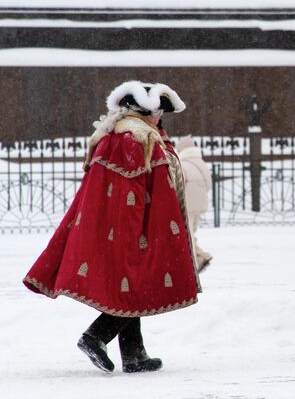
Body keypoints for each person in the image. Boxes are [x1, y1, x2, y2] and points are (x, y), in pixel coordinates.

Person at [23, 80, 201, 373]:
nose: (160, 118)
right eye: (158, 112)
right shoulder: (136, 139)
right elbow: (137, 194)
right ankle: (96, 336)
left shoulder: (118, 135)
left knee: (129, 286)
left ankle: (134, 354)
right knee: (137, 281)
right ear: (144, 112)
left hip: (115, 226)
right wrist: (137, 236)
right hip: (132, 226)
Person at [176, 135, 213, 272]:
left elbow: (180, 184)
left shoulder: (182, 164)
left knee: (188, 233)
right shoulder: (201, 163)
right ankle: (201, 256)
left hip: (189, 203)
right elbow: (209, 183)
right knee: (191, 231)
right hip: (201, 203)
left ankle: (194, 262)